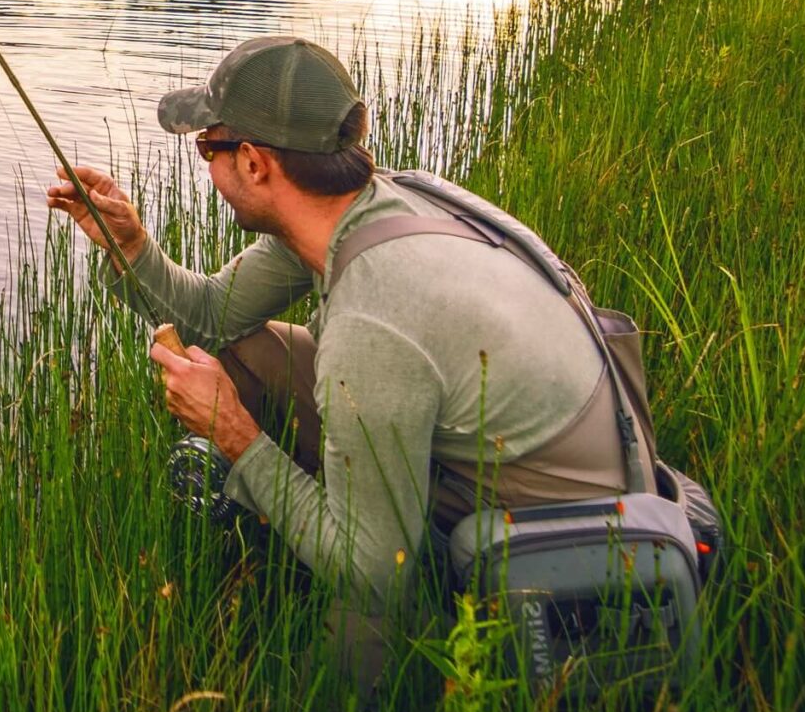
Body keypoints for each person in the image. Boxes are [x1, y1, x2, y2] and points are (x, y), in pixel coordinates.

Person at [46, 36, 629, 671]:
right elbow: (212, 318)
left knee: (361, 606)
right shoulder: (365, 205)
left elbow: (377, 573)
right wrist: (128, 244)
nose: (205, 166)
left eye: (207, 147)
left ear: (253, 162)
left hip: (546, 528)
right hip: (498, 449)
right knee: (248, 351)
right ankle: (298, 514)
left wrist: (237, 437)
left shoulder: (373, 319)